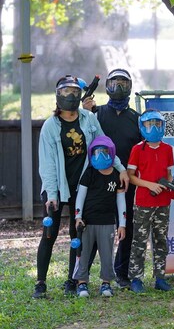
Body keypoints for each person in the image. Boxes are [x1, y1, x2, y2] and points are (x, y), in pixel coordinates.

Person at [33, 75, 128, 299]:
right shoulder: (50, 126)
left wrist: (121, 168)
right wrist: (52, 195)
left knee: (79, 234)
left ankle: (73, 279)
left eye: (75, 92)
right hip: (56, 186)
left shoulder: (88, 119)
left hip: (83, 186)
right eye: (66, 92)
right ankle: (41, 282)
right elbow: (47, 164)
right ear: (58, 96)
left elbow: (104, 144)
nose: (72, 96)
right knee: (50, 233)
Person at [82, 68, 142, 289]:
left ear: (130, 87)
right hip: (99, 182)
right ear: (106, 86)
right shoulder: (95, 114)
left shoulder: (137, 119)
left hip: (127, 181)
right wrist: (85, 111)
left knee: (126, 227)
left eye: (123, 84)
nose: (118, 88)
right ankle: (81, 275)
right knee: (93, 228)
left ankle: (121, 273)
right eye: (114, 83)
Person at [127, 109, 174, 293]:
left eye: (157, 124)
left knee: (161, 240)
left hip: (163, 203)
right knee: (139, 241)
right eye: (149, 124)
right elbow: (131, 176)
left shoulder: (168, 149)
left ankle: (160, 277)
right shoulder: (137, 149)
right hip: (143, 203)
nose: (153, 128)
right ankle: (136, 278)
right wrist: (150, 185)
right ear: (142, 127)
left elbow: (169, 176)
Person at [73, 136, 126, 297]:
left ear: (112, 153)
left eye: (105, 152)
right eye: (97, 152)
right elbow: (80, 196)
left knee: (107, 254)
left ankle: (106, 283)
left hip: (108, 223)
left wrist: (122, 224)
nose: (101, 155)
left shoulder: (117, 176)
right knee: (84, 253)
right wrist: (78, 217)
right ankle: (82, 284)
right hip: (87, 223)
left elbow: (121, 201)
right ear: (91, 154)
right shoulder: (89, 173)